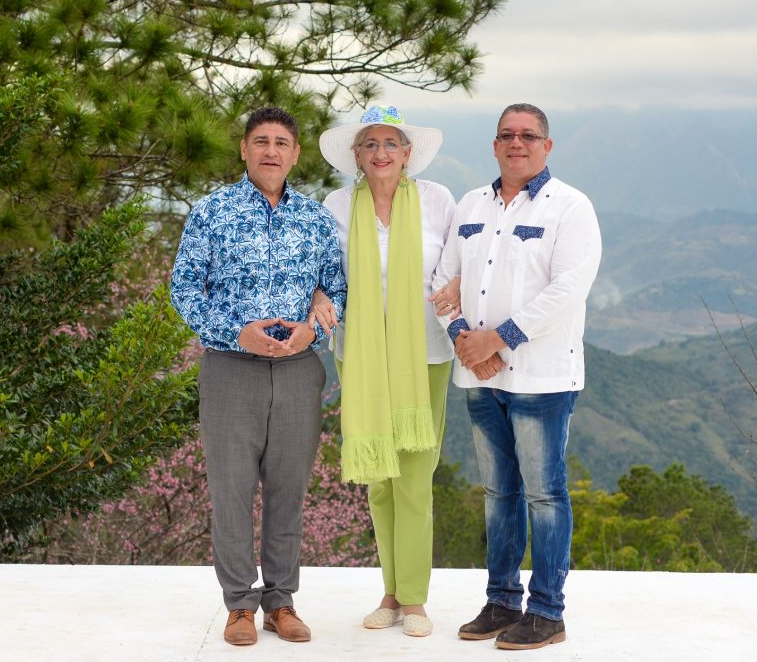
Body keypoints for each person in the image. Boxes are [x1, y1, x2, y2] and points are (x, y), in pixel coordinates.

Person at [170, 106, 347, 647]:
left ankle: (282, 602)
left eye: (282, 143)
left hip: (298, 372)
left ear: (296, 154)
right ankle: (239, 606)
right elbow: (184, 290)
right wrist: (234, 331)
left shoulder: (316, 219)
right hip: (230, 370)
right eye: (261, 141)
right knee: (231, 491)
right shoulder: (211, 212)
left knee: (289, 492)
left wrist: (311, 331)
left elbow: (335, 292)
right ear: (244, 150)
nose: (272, 150)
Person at [432, 103, 601, 650]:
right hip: (480, 375)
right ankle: (501, 601)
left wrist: (497, 337)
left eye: (528, 135)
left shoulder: (571, 207)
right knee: (498, 492)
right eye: (506, 134)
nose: (516, 142)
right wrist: (461, 335)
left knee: (545, 494)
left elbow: (567, 290)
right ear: (495, 144)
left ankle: (547, 612)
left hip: (542, 378)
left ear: (546, 146)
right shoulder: (472, 204)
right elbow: (443, 279)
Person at [311, 105, 460, 638]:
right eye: (370, 145)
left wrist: (454, 291)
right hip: (362, 351)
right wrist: (322, 296)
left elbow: (455, 265)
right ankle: (390, 594)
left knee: (415, 477)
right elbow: (324, 269)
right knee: (378, 478)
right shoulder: (335, 205)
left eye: (390, 144)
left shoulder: (437, 201)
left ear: (407, 153)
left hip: (424, 352)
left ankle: (415, 600)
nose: (381, 154)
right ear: (356, 156)